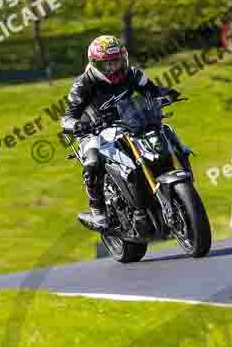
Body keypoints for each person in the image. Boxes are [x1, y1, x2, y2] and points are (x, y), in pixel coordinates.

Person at [60, 36, 179, 229]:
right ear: (95, 64)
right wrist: (76, 125)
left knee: (164, 132)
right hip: (93, 130)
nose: (113, 68)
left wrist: (167, 95)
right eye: (107, 64)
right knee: (92, 161)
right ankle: (97, 211)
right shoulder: (82, 84)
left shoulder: (132, 74)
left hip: (128, 122)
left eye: (117, 61)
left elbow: (153, 90)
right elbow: (68, 116)